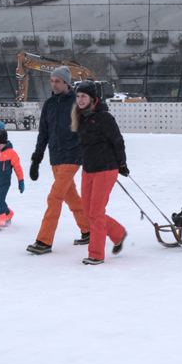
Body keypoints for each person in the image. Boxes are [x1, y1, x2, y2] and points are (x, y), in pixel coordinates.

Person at [25, 67, 92, 255]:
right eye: (52, 81)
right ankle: (88, 230)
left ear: (66, 83)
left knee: (54, 197)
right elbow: (43, 134)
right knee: (71, 197)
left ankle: (44, 241)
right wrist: (36, 159)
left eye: (57, 81)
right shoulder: (49, 104)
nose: (54, 84)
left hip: (72, 156)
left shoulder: (76, 102)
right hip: (55, 158)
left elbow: (87, 130)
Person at [73, 83, 129, 265]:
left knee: (96, 212)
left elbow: (117, 141)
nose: (80, 100)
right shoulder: (80, 117)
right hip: (88, 169)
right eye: (78, 96)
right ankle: (118, 233)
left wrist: (122, 163)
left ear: (92, 98)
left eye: (84, 96)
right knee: (88, 211)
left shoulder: (104, 118)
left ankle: (96, 254)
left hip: (106, 168)